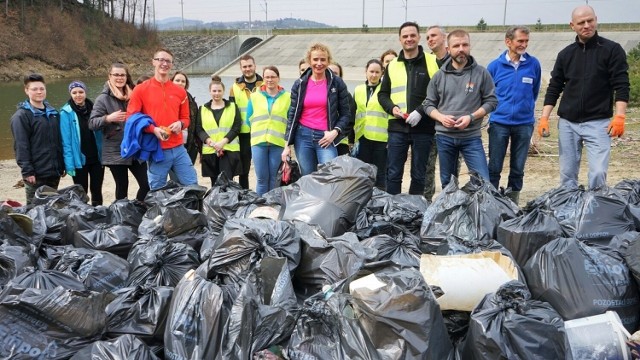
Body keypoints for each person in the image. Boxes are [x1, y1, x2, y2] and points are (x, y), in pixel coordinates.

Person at [537, 5, 629, 190]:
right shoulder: (565, 54)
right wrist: (544, 117)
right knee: (567, 175)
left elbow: (621, 84)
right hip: (568, 123)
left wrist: (620, 116)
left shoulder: (612, 49)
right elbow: (555, 87)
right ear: (572, 25)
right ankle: (569, 210)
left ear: (596, 19)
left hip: (599, 123)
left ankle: (595, 210)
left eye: (590, 20)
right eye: (581, 22)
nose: (587, 25)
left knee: (597, 174)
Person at [423, 29, 498, 188]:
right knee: (448, 183)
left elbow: (491, 101)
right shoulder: (439, 76)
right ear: (448, 49)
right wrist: (441, 117)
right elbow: (428, 104)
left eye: (465, 45)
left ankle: (478, 211)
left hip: (471, 137)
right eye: (456, 45)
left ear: (470, 46)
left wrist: (471, 117)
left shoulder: (481, 73)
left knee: (482, 181)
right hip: (445, 137)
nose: (461, 49)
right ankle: (452, 211)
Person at [378, 21, 439, 195]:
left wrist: (421, 111)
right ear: (400, 39)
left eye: (413, 35)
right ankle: (394, 208)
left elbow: (440, 93)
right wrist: (392, 108)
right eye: (405, 36)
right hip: (397, 128)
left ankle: (414, 211)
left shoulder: (433, 61)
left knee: (419, 174)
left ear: (419, 37)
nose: (409, 39)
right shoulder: (392, 65)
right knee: (394, 173)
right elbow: (383, 95)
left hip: (424, 127)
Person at [126, 48, 198, 190]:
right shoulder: (140, 90)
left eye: (168, 61)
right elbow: (131, 118)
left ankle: (189, 212)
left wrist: (180, 124)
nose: (164, 63)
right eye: (161, 60)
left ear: (171, 65)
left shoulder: (180, 91)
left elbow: (186, 118)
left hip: (178, 148)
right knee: (157, 190)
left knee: (192, 185)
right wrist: (153, 129)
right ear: (153, 62)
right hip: (157, 149)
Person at [487, 26, 542, 204]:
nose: (524, 44)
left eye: (526, 41)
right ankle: (492, 201)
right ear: (508, 41)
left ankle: (512, 202)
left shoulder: (534, 64)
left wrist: (524, 110)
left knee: (518, 167)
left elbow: (534, 92)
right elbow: (488, 94)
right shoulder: (494, 66)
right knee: (494, 166)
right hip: (499, 123)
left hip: (524, 124)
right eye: (520, 41)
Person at [282, 43, 352, 176]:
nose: (319, 63)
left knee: (329, 176)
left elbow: (346, 114)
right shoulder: (300, 84)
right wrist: (287, 146)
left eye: (323, 59)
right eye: (315, 59)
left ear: (328, 61)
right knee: (308, 177)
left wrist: (335, 132)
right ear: (309, 60)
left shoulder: (337, 83)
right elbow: (292, 115)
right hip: (302, 137)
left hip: (326, 137)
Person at [90, 63, 150, 201]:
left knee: (146, 184)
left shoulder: (134, 94)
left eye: (122, 75)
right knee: (122, 186)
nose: (119, 78)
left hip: (135, 147)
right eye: (116, 74)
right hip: (115, 150)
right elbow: (92, 123)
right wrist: (108, 118)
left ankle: (136, 209)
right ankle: (122, 216)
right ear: (109, 76)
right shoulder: (102, 99)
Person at [10, 73, 65, 205]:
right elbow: (21, 146)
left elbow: (58, 141)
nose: (39, 92)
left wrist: (61, 164)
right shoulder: (21, 116)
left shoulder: (53, 113)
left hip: (53, 171)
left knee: (51, 207)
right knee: (34, 209)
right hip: (35, 174)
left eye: (42, 88)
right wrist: (27, 171)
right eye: (34, 89)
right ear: (26, 90)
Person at [246, 66, 291, 195]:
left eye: (273, 77)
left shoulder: (288, 97)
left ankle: (272, 205)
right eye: (267, 77)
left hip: (278, 143)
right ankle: (260, 206)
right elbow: (248, 118)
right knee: (261, 179)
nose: (270, 80)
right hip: (258, 142)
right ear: (263, 79)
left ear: (278, 78)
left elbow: (290, 120)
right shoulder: (254, 97)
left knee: (274, 178)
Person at [59, 80, 104, 206]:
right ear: (70, 94)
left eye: (81, 92)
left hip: (96, 158)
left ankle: (99, 212)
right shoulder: (65, 113)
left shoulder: (95, 109)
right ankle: (83, 215)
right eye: (74, 92)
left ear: (85, 92)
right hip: (79, 160)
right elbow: (66, 141)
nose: (78, 95)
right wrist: (69, 164)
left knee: (97, 189)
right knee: (81, 191)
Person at [196, 75, 242, 186]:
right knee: (214, 183)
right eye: (214, 91)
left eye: (219, 91)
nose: (217, 93)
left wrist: (223, 142)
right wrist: (209, 141)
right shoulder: (203, 108)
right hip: (210, 150)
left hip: (228, 150)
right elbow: (199, 128)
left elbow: (236, 127)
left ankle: (228, 202)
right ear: (210, 91)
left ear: (223, 91)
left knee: (227, 182)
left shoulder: (232, 106)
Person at [423, 25, 450, 201]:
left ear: (444, 37)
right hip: (430, 125)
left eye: (434, 35)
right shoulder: (427, 62)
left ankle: (450, 202)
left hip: (452, 127)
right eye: (427, 37)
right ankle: (427, 203)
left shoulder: (456, 60)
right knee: (427, 168)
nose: (430, 39)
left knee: (451, 169)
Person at [229, 54, 263, 190]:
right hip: (243, 133)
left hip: (261, 131)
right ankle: (245, 194)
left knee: (264, 169)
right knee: (244, 169)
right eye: (244, 67)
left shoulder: (265, 84)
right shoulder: (235, 87)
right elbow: (231, 112)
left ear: (255, 66)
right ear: (241, 68)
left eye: (250, 66)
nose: (247, 69)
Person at [353, 59, 387, 190]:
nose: (374, 75)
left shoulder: (385, 89)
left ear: (382, 73)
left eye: (377, 72)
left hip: (381, 139)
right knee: (363, 173)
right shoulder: (359, 90)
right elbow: (353, 113)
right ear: (366, 72)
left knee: (380, 174)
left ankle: (380, 201)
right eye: (371, 71)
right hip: (362, 137)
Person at [171, 71, 201, 164]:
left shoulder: (192, 101)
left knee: (187, 175)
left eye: (183, 81)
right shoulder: (166, 99)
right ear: (171, 82)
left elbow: (196, 124)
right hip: (172, 144)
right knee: (175, 176)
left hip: (190, 144)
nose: (180, 83)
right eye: (177, 80)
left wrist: (199, 147)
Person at [328, 62, 356, 156]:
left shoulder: (346, 96)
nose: (332, 75)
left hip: (340, 143)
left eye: (335, 73)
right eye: (329, 71)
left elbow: (350, 121)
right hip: (321, 141)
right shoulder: (317, 94)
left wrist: (336, 134)